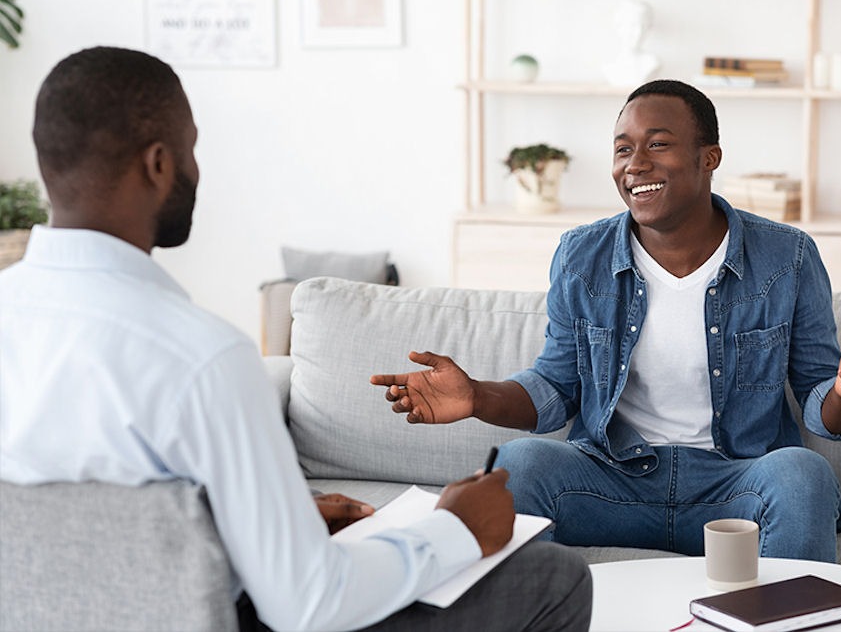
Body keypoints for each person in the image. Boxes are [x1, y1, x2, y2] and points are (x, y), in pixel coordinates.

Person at [0, 46, 592, 632]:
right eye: (192, 149)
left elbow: (94, 538)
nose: (197, 171)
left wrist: (274, 522)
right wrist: (454, 529)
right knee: (553, 578)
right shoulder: (201, 359)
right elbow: (308, 603)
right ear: (158, 164)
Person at [372, 79, 841, 564]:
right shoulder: (582, 256)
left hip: (733, 490)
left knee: (803, 473)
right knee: (521, 464)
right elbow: (557, 386)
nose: (635, 163)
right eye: (623, 149)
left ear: (709, 157)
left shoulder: (788, 257)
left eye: (658, 144)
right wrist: (477, 397)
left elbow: (821, 407)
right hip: (612, 484)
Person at [602, 0, 660, 88]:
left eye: (644, 26)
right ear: (618, 26)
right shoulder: (608, 64)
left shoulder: (653, 62)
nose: (639, 32)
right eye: (633, 25)